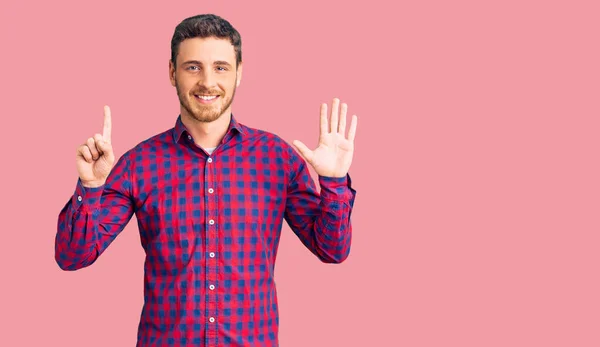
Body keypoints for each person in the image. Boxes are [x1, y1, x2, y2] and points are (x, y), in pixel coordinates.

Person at [55, 13, 357, 347]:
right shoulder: (139, 164)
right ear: (172, 73)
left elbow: (333, 250)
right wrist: (91, 187)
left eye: (221, 67)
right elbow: (72, 257)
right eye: (193, 67)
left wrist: (333, 181)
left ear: (240, 73)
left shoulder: (278, 159)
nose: (207, 81)